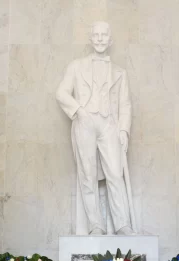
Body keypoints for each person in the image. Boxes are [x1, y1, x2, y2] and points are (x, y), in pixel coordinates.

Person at [55, 21, 135, 235]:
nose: (100, 38)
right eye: (96, 35)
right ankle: (96, 225)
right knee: (87, 174)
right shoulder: (76, 66)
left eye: (104, 35)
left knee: (115, 174)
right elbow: (62, 93)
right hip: (85, 121)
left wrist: (124, 130)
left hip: (110, 124)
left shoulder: (120, 72)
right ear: (91, 39)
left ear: (110, 40)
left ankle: (122, 224)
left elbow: (126, 104)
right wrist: (79, 111)